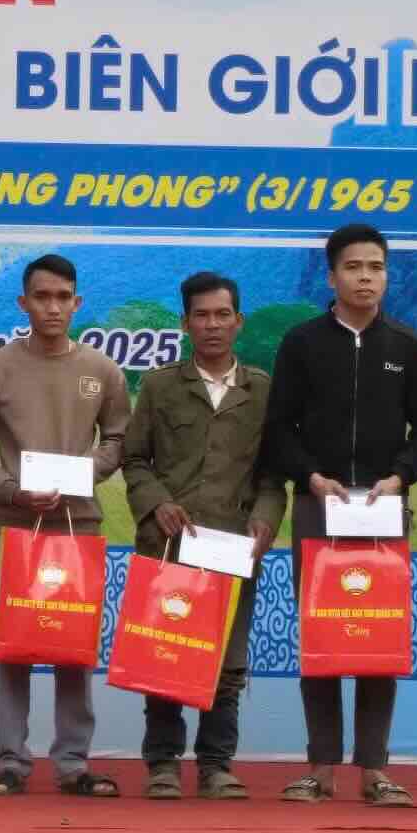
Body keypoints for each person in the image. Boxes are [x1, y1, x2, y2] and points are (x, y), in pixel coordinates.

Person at [262, 222, 417, 807]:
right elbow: (277, 431)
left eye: (377, 267)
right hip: (320, 508)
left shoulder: (407, 347)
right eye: (355, 267)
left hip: (384, 511)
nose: (367, 277)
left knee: (376, 638)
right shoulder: (302, 343)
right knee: (323, 637)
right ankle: (320, 768)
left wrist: (400, 477)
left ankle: (375, 770)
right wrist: (310, 477)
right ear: (332, 274)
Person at [0, 255, 130, 798]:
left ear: (77, 303)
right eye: (42, 297)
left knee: (72, 646)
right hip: (15, 524)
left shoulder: (102, 370)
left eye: (63, 297)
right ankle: (11, 760)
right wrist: (10, 489)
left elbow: (119, 441)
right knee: (14, 644)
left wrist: (84, 475)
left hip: (78, 525)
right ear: (23, 304)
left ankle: (73, 763)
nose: (53, 307)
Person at [120, 271, 286, 801]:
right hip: (169, 545)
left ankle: (217, 765)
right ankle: (163, 765)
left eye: (222, 315)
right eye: (201, 315)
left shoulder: (262, 390)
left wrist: (265, 516)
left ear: (238, 320)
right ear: (185, 322)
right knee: (163, 655)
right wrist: (156, 503)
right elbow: (133, 458)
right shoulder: (161, 385)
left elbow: (272, 476)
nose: (212, 325)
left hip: (233, 547)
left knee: (229, 664)